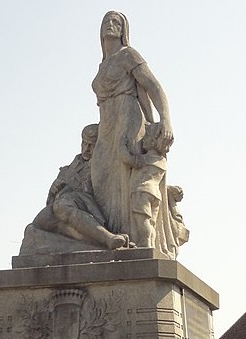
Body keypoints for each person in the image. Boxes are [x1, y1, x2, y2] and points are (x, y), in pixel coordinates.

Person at [91, 11, 175, 255]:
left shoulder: (129, 55)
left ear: (123, 30)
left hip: (128, 119)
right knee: (101, 181)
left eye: (116, 22)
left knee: (126, 183)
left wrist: (166, 119)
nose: (110, 25)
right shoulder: (102, 64)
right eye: (106, 21)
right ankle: (111, 238)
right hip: (105, 125)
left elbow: (154, 86)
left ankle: (135, 241)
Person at [33, 123, 130, 250]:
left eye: (91, 145)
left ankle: (108, 238)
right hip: (61, 211)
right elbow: (50, 203)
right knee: (40, 222)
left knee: (62, 205)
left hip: (85, 207)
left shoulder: (103, 167)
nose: (86, 149)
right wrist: (52, 192)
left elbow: (104, 196)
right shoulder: (66, 170)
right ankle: (95, 241)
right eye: (84, 144)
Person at [121, 123, 166, 248]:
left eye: (146, 137)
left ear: (153, 141)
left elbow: (128, 160)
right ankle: (151, 245)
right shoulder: (162, 160)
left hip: (142, 191)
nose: (143, 140)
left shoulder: (147, 158)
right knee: (151, 224)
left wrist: (121, 145)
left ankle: (144, 243)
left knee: (143, 221)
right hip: (155, 194)